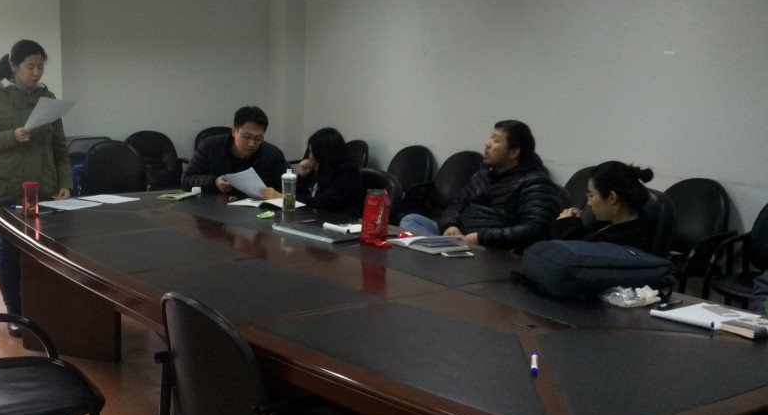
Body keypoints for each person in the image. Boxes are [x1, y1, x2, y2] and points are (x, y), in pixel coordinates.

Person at [0, 40, 73, 336]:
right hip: (5, 190)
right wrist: (11, 136)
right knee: (9, 248)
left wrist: (65, 183)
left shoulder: (48, 99)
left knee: (46, 248)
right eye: (30, 67)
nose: (36, 72)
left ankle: (41, 307)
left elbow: (60, 147)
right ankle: (14, 310)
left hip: (43, 188)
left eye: (40, 67)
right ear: (14, 67)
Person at [399, 120, 561, 251]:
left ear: (514, 152)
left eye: (495, 140)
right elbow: (457, 204)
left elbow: (535, 229)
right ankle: (447, 250)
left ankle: (443, 251)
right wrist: (450, 225)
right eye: (490, 138)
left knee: (417, 240)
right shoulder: (482, 176)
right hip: (461, 237)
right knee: (412, 220)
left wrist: (481, 238)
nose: (487, 144)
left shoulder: (535, 183)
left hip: (492, 248)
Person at [181, 106, 288, 197]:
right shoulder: (209, 146)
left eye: (258, 138)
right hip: (216, 208)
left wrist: (279, 196)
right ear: (234, 131)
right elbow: (186, 180)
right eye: (246, 137)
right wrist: (214, 182)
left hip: (258, 211)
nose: (252, 144)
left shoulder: (273, 154)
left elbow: (288, 191)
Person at [551, 161, 653, 251]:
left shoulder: (624, 245)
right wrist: (573, 226)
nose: (588, 203)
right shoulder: (610, 220)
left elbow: (574, 259)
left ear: (612, 197)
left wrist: (565, 228)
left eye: (591, 195)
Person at [261, 127, 363, 216]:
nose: (310, 157)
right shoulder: (319, 170)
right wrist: (302, 177)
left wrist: (285, 197)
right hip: (312, 218)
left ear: (325, 154)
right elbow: (302, 196)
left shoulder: (348, 173)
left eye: (313, 152)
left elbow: (322, 203)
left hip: (338, 223)